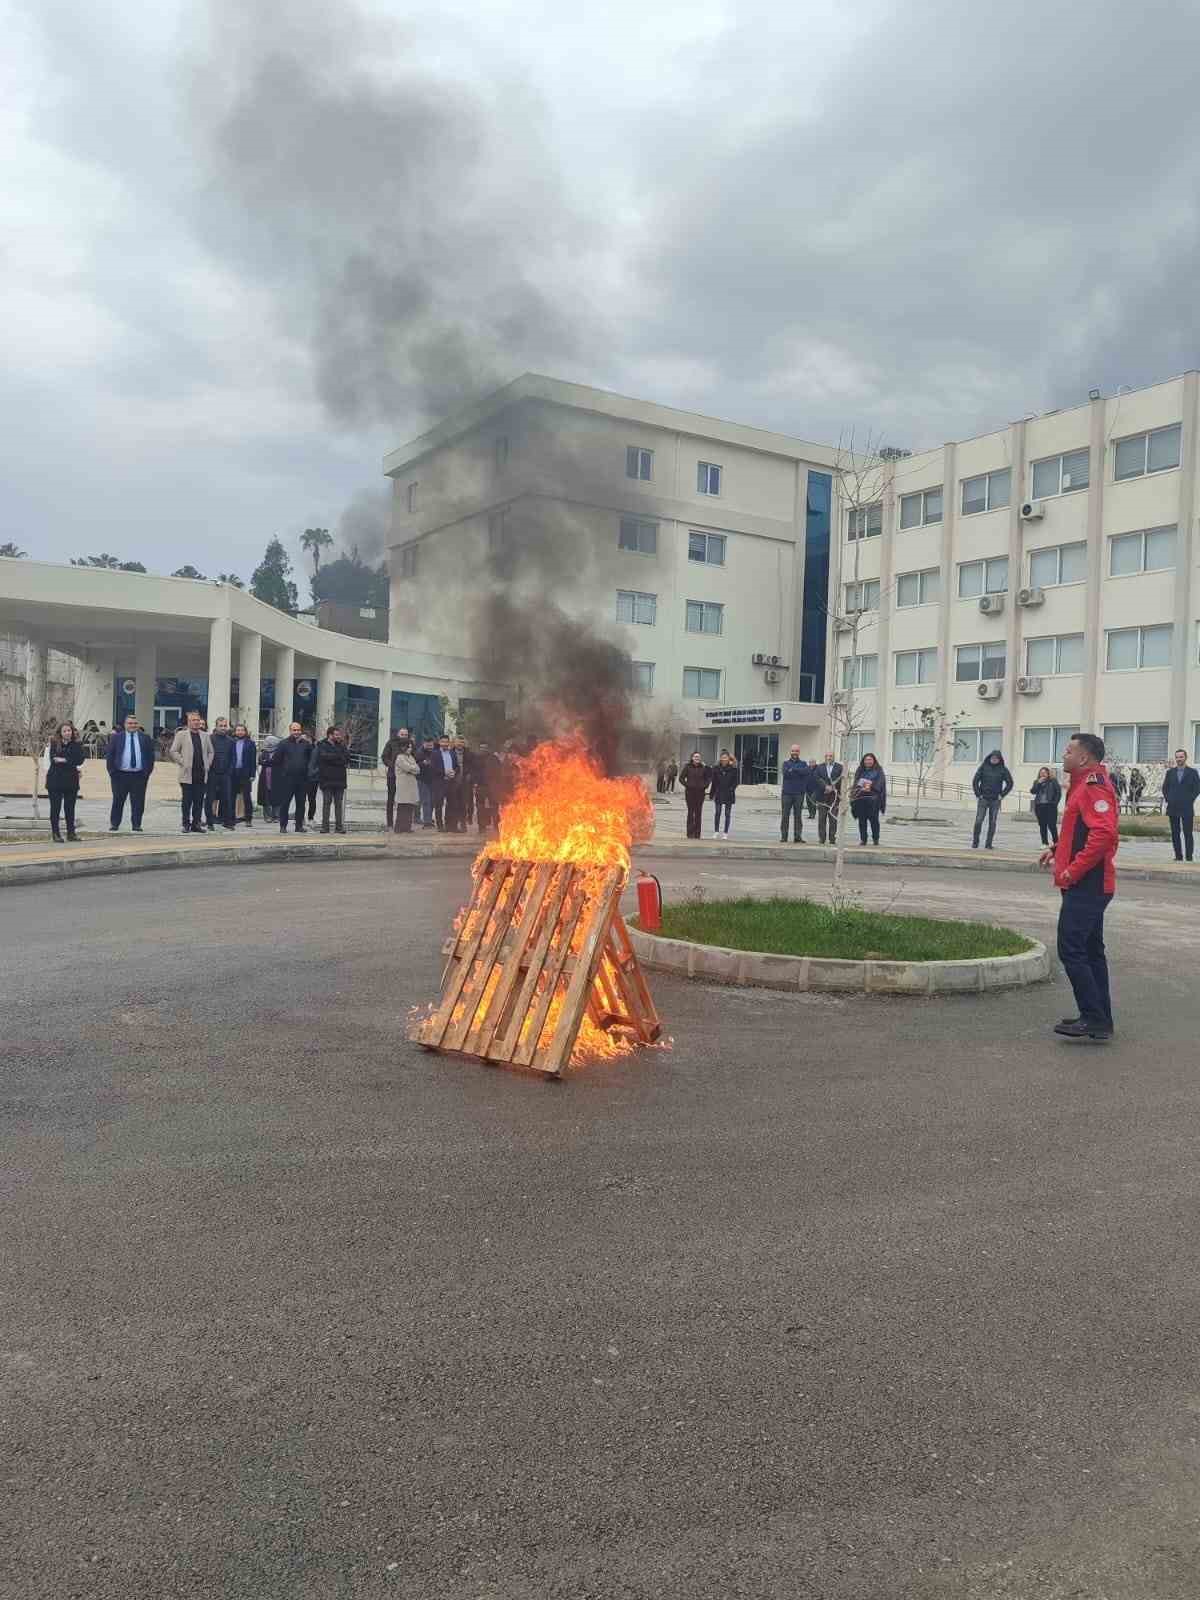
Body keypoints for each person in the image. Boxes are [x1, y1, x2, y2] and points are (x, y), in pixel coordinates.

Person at [1042, 732, 1118, 1041]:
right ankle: (1100, 1019)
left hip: (1089, 883)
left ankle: (1093, 1017)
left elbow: (1103, 834)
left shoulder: (1092, 787)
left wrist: (1071, 871)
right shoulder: (1084, 784)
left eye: (1069, 750)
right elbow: (1082, 830)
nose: (1064, 755)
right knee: (1090, 950)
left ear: (1084, 757)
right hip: (1089, 883)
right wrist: (1059, 848)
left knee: (1071, 948)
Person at [105, 712, 155, 832]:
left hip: (139, 776)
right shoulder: (116, 737)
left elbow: (150, 757)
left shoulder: (145, 738)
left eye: (135, 723)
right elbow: (110, 756)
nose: (133, 725)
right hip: (120, 775)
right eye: (130, 723)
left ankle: (136, 824)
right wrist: (112, 772)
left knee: (138, 802)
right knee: (118, 800)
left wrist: (146, 773)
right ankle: (115, 824)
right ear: (125, 724)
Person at [169, 711, 213, 833]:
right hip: (187, 774)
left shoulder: (205, 736)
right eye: (193, 720)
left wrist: (208, 764)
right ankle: (185, 824)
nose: (196, 722)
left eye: (198, 720)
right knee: (187, 801)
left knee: (199, 801)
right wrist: (183, 762)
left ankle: (196, 824)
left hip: (201, 774)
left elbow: (211, 752)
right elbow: (173, 751)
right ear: (188, 722)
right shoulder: (181, 735)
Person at [44, 721, 85, 842]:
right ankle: (56, 834)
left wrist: (65, 759)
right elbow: (53, 759)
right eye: (65, 731)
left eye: (69, 730)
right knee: (55, 808)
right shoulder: (54, 743)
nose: (67, 733)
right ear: (60, 733)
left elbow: (80, 760)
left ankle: (71, 833)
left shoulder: (76, 744)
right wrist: (69, 759)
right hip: (55, 780)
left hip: (71, 781)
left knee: (70, 808)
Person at [270, 721, 313, 834]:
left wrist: (309, 773)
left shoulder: (306, 744)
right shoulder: (283, 743)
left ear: (301, 730)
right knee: (285, 803)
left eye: (298, 730)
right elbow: (276, 760)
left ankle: (299, 826)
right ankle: (283, 826)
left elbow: (311, 760)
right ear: (290, 731)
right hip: (287, 779)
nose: (296, 732)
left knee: (301, 803)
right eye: (294, 730)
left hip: (302, 779)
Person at [310, 724, 351, 833]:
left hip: (340, 780)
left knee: (339, 804)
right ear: (330, 735)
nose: (339, 737)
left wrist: (334, 757)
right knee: (326, 803)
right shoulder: (322, 745)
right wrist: (338, 757)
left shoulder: (342, 745)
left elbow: (346, 758)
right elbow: (324, 757)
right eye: (336, 735)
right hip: (326, 779)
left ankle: (339, 827)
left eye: (339, 735)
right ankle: (325, 827)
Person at [1162, 748, 1200, 863]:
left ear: (1185, 758)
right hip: (1173, 807)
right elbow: (1165, 788)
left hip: (1187, 807)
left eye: (1181, 757)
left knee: (1188, 833)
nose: (1179, 759)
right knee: (1175, 833)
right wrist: (1169, 799)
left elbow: (1197, 788)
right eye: (1177, 757)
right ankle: (1178, 856)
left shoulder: (1193, 772)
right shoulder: (1170, 773)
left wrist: (1190, 799)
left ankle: (1189, 857)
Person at [971, 748, 1013, 849]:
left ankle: (988, 844)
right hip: (983, 798)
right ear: (989, 758)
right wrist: (978, 794)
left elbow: (1010, 783)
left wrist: (1002, 795)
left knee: (992, 822)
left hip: (995, 800)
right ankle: (975, 842)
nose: (994, 759)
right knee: (978, 820)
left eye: (996, 758)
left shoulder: (1003, 769)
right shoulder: (983, 767)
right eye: (993, 757)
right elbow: (975, 781)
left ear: (999, 759)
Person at [206, 715, 236, 829]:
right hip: (212, 773)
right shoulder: (210, 739)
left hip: (226, 774)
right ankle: (209, 822)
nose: (223, 728)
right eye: (221, 726)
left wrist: (230, 771)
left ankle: (227, 822)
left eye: (225, 726)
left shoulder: (231, 741)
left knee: (226, 798)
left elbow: (233, 758)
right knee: (210, 798)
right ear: (216, 726)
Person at [380, 726, 411, 832]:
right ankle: (389, 824)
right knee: (391, 799)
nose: (404, 736)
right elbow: (384, 757)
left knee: (404, 801)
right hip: (393, 776)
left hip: (406, 777)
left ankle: (402, 825)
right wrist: (392, 765)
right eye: (402, 734)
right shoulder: (391, 743)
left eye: (406, 735)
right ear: (398, 734)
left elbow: (415, 756)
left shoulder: (410, 744)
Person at [850, 753, 886, 845]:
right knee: (862, 820)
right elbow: (856, 783)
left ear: (873, 760)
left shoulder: (878, 770)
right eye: (866, 760)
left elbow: (880, 784)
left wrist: (870, 786)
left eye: (870, 759)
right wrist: (858, 788)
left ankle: (875, 839)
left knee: (874, 820)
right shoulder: (860, 770)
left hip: (873, 799)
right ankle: (863, 839)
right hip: (861, 799)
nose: (868, 761)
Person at [810, 750, 844, 845]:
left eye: (831, 756)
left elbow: (842, 780)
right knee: (821, 818)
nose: (829, 758)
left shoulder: (839, 767)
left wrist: (833, 788)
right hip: (822, 797)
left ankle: (832, 838)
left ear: (834, 757)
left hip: (834, 797)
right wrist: (825, 786)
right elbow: (817, 778)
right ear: (825, 757)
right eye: (827, 756)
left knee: (833, 819)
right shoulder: (819, 767)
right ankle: (822, 838)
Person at [779, 745, 811, 843]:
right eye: (793, 751)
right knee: (785, 816)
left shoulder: (803, 763)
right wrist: (798, 771)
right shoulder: (785, 763)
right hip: (787, 794)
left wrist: (793, 769)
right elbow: (786, 773)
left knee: (798, 816)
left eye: (796, 751)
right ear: (790, 752)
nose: (795, 753)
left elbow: (806, 772)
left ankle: (797, 837)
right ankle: (784, 837)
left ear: (799, 752)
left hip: (799, 794)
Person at [229, 722, 258, 825]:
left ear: (245, 732)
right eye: (238, 730)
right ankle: (231, 818)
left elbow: (253, 760)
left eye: (242, 730)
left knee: (246, 796)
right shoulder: (231, 742)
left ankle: (248, 819)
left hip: (245, 773)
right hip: (234, 772)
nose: (240, 732)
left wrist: (252, 774)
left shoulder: (250, 743)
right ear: (235, 732)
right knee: (232, 796)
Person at [391, 736, 421, 833]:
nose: (410, 749)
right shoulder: (399, 758)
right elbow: (407, 768)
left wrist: (412, 769)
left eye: (411, 747)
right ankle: (399, 828)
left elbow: (417, 769)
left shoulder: (411, 757)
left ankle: (407, 827)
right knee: (402, 807)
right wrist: (412, 768)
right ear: (402, 747)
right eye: (408, 747)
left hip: (411, 785)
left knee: (409, 807)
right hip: (403, 786)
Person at [429, 734, 459, 831]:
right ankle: (440, 826)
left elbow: (457, 766)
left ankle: (451, 825)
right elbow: (433, 768)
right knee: (439, 805)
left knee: (452, 804)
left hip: (451, 782)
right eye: (443, 742)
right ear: (439, 743)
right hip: (440, 783)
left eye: (446, 742)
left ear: (449, 743)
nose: (445, 744)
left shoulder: (452, 753)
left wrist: (454, 771)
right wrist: (444, 773)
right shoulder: (435, 754)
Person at [472, 740, 502, 833]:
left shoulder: (494, 758)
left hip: (492, 786)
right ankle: (482, 827)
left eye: (485, 748)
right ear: (479, 748)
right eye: (482, 748)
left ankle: (497, 826)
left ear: (488, 748)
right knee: (480, 807)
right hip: (481, 786)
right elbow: (473, 771)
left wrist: (497, 783)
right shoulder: (476, 758)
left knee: (495, 806)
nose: (483, 749)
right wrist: (475, 782)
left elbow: (498, 771)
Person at [681, 751, 711, 839]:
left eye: (698, 757)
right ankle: (690, 833)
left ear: (700, 758)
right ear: (692, 758)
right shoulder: (687, 767)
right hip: (690, 793)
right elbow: (681, 778)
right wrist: (688, 785)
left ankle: (697, 833)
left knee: (698, 813)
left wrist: (705, 786)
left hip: (700, 793)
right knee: (691, 813)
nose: (697, 758)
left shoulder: (704, 768)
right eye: (695, 756)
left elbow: (708, 777)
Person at [710, 750, 739, 837]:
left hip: (729, 794)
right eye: (722, 757)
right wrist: (712, 794)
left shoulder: (733, 769)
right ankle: (716, 831)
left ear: (728, 759)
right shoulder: (716, 768)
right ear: (720, 759)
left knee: (727, 814)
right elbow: (714, 782)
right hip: (718, 793)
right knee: (717, 812)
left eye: (726, 757)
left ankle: (725, 832)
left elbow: (736, 781)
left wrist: (731, 789)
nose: (724, 759)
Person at [1030, 766, 1062, 846]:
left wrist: (1054, 803)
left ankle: (1056, 843)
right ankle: (1044, 843)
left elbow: (1058, 793)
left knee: (1052, 825)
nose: (1043, 774)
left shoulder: (1053, 781)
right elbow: (1033, 791)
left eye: (1044, 773)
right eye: (1041, 773)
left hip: (1050, 806)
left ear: (1048, 774)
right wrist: (1038, 783)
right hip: (1039, 806)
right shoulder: (1037, 782)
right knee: (1042, 825)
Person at [416, 737, 438, 827]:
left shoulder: (435, 752)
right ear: (423, 744)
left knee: (432, 801)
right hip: (422, 779)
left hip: (433, 780)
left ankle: (427, 818)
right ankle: (427, 821)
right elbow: (415, 765)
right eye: (428, 745)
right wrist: (423, 763)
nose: (429, 747)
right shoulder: (419, 753)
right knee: (425, 800)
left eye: (431, 745)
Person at [256, 735, 279, 821]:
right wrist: (269, 762)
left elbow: (277, 761)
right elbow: (260, 761)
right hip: (265, 777)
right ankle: (267, 816)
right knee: (265, 797)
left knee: (276, 796)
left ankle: (276, 816)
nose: (268, 744)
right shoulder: (264, 752)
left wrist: (267, 762)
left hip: (276, 777)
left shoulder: (278, 752)